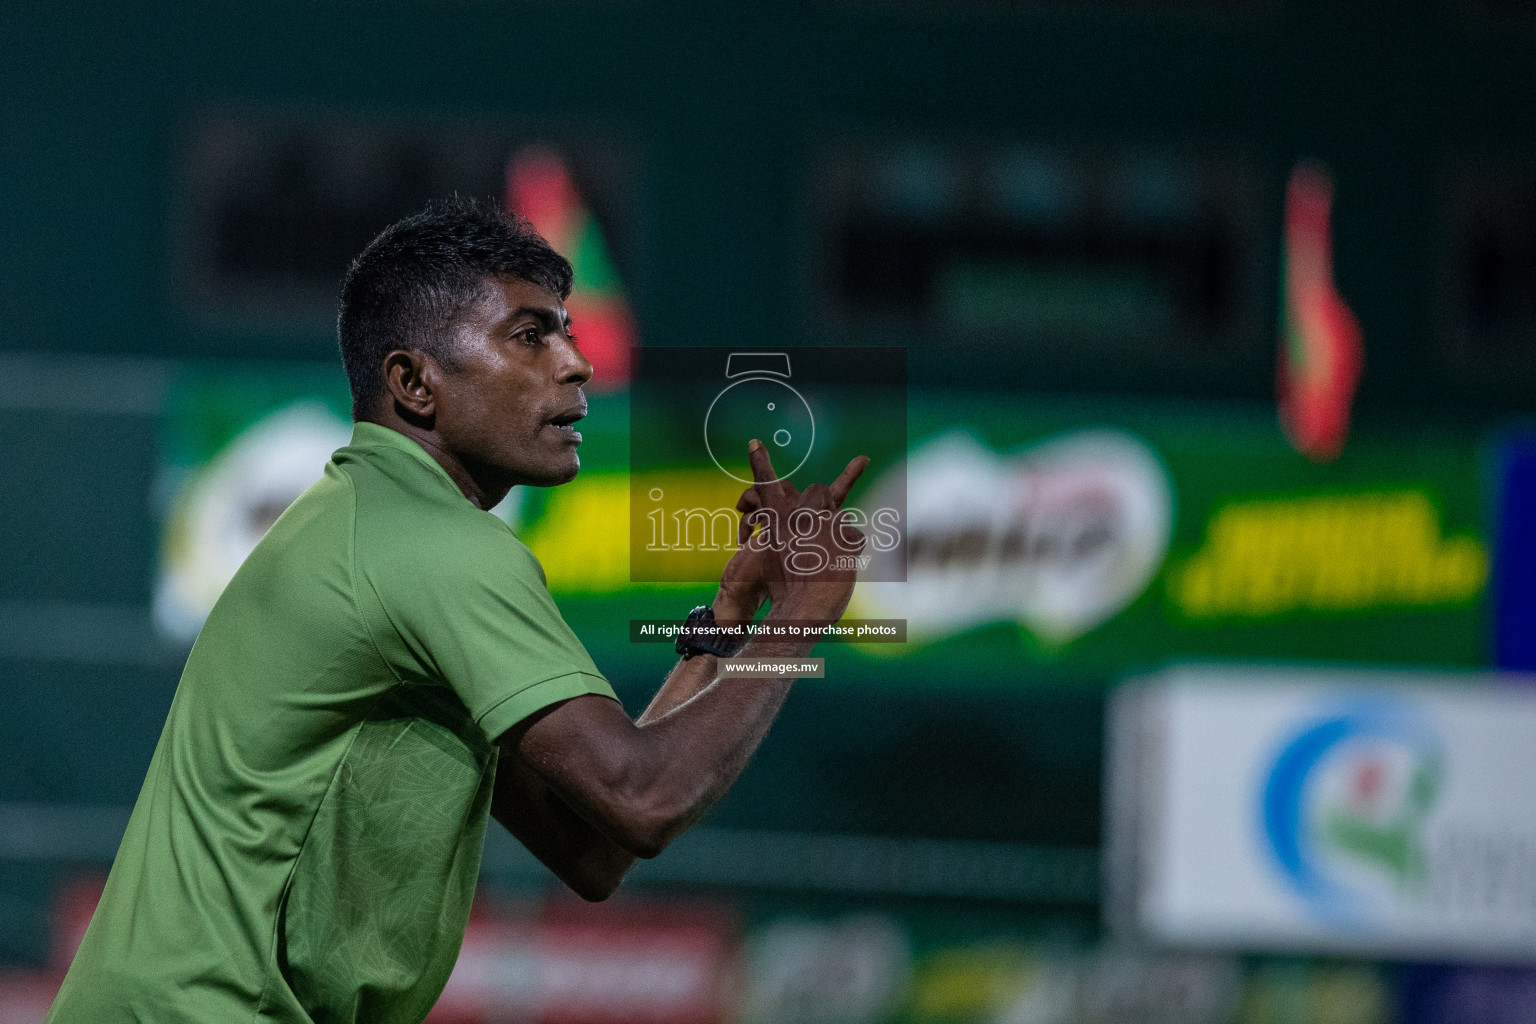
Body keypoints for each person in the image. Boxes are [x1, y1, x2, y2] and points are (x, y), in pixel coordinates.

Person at [45, 196, 868, 1024]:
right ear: (413, 383)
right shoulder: (433, 544)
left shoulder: (371, 520)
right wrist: (803, 614)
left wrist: (728, 623)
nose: (575, 364)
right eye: (529, 335)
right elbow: (644, 797)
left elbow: (596, 849)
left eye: (568, 333)